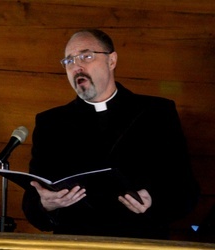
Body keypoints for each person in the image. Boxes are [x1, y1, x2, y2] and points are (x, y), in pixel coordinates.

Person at [22, 29, 200, 239]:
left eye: (86, 56)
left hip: (140, 242)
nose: (77, 66)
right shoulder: (51, 124)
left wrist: (154, 202)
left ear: (112, 60)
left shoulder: (156, 113)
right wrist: (46, 204)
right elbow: (33, 203)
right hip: (76, 244)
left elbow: (185, 191)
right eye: (69, 61)